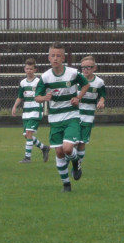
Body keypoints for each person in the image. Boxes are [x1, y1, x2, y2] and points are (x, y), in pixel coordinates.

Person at [34, 43, 89, 192]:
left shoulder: (72, 73)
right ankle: (66, 185)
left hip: (71, 116)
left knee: (67, 148)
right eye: (52, 55)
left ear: (63, 58)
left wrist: (78, 98)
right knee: (59, 152)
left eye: (58, 56)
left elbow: (85, 85)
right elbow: (37, 97)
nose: (55, 58)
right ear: (48, 58)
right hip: (55, 118)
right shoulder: (45, 77)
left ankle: (76, 162)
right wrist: (44, 98)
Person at [71, 56, 106, 178]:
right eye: (83, 67)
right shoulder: (76, 79)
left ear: (94, 68)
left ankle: (77, 166)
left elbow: (103, 95)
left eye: (88, 67)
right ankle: (72, 162)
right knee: (72, 142)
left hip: (88, 116)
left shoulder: (99, 82)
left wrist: (101, 101)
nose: (85, 70)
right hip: (74, 115)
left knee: (82, 143)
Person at [11, 57, 49, 163]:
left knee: (28, 133)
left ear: (35, 70)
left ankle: (27, 158)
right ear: (24, 69)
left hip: (36, 111)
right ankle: (44, 148)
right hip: (26, 112)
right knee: (26, 135)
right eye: (27, 69)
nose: (29, 71)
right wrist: (14, 106)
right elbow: (20, 96)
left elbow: (42, 95)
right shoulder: (23, 82)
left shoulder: (38, 82)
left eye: (31, 69)